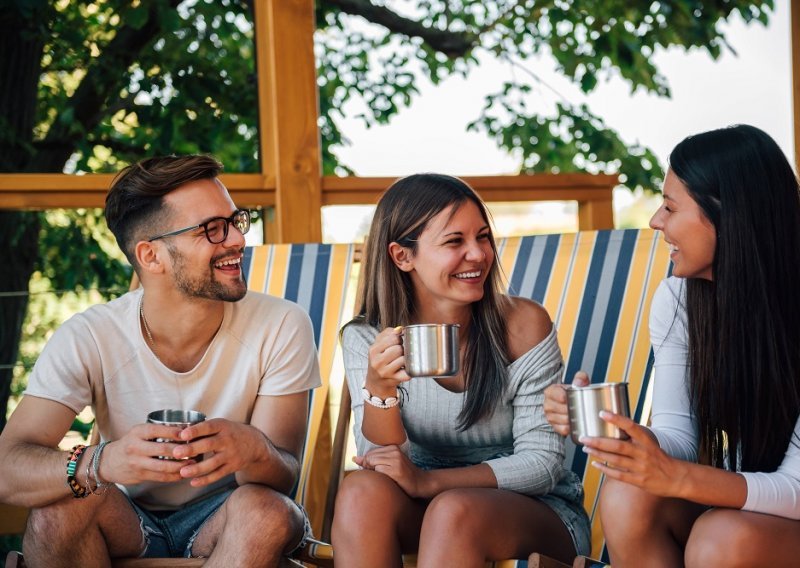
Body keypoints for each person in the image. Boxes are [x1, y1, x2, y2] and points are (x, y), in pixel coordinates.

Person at [0, 155, 321, 567]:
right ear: (152, 257)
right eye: (212, 229)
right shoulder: (92, 336)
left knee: (267, 513)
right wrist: (102, 461)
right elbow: (8, 469)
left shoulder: (281, 324)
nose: (238, 240)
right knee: (57, 508)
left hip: (226, 518)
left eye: (235, 221)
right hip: (125, 517)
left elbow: (283, 478)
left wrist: (254, 450)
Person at [544, 124, 800, 567]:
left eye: (669, 207)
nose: (655, 221)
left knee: (722, 538)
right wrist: (617, 430)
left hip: (785, 506)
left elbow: (796, 488)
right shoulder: (680, 300)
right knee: (627, 492)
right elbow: (679, 439)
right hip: (757, 507)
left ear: (727, 214)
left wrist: (677, 477)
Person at [332, 173, 590, 567]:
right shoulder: (368, 336)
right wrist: (379, 388)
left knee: (453, 510)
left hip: (532, 510)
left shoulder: (522, 325)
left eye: (482, 237)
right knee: (360, 493)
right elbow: (378, 460)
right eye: (455, 241)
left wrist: (430, 482)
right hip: (423, 504)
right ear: (403, 256)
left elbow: (543, 464)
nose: (478, 254)